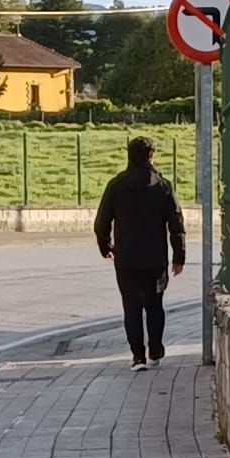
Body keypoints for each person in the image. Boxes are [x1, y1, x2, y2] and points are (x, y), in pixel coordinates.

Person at [94, 136, 186, 371]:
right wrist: (179, 256)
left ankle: (137, 356)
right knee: (155, 305)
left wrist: (106, 247)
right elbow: (176, 222)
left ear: (129, 155)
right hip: (155, 259)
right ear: (151, 156)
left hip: (126, 259)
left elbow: (101, 221)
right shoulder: (163, 186)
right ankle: (155, 350)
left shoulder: (116, 185)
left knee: (131, 307)